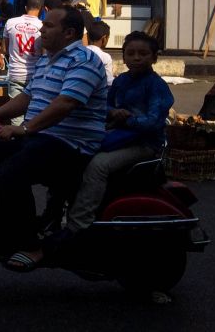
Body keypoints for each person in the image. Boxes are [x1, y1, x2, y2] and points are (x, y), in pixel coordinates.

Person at [0, 7, 108, 271]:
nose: (41, 31)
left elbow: (65, 104)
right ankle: (8, 230)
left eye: (48, 27)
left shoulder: (83, 60)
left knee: (13, 171)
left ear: (69, 33)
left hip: (71, 145)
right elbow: (26, 98)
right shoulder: (45, 60)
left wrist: (26, 128)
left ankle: (33, 245)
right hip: (45, 139)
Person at [63, 32, 173, 238]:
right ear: (123, 57)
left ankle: (78, 224)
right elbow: (103, 106)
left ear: (154, 58)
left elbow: (153, 122)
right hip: (117, 137)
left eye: (143, 53)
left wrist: (126, 119)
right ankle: (60, 210)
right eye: (131, 53)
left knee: (99, 165)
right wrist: (112, 112)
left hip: (145, 144)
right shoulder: (121, 80)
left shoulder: (157, 86)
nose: (136, 58)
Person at [3, 0, 44, 124]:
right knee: (34, 113)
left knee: (16, 115)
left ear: (26, 7)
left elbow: (5, 48)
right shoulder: (43, 26)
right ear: (41, 9)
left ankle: (15, 142)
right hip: (35, 75)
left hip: (15, 74)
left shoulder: (10, 22)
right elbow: (44, 53)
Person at [85, 20, 115, 86]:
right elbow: (109, 81)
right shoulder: (105, 57)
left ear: (87, 36)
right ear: (104, 39)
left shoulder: (80, 52)